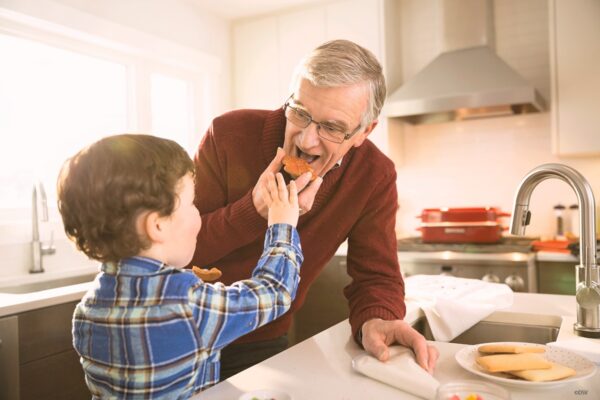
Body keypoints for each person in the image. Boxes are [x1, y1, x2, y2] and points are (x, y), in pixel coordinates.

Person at [190, 39, 439, 380]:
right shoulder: (228, 135)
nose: (306, 140)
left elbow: (377, 276)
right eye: (300, 113)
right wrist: (253, 210)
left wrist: (377, 317)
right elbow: (178, 251)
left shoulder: (374, 175)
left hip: (259, 340)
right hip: (180, 333)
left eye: (333, 127)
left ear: (364, 131)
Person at [57, 134, 303, 399]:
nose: (198, 212)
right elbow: (276, 291)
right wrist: (283, 225)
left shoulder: (86, 312)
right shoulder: (188, 304)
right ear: (158, 225)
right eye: (191, 203)